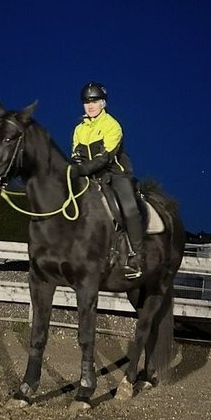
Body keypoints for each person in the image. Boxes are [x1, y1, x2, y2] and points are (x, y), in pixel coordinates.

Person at [69, 81, 145, 279]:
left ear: (103, 103)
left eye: (94, 101)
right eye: (87, 102)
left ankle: (137, 257)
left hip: (116, 174)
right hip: (90, 176)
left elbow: (105, 158)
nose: (90, 105)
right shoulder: (79, 129)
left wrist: (80, 169)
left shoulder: (112, 125)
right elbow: (76, 156)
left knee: (129, 209)